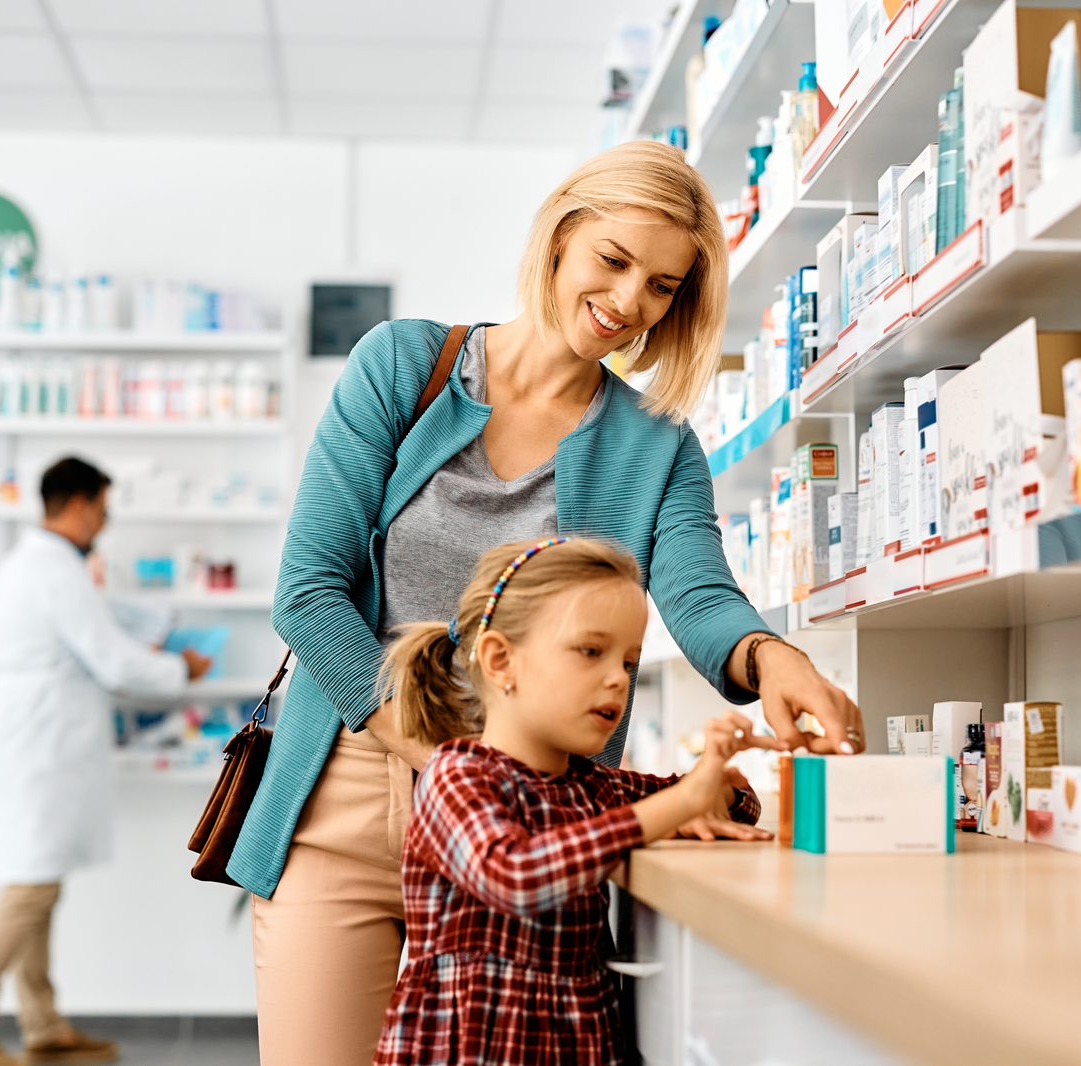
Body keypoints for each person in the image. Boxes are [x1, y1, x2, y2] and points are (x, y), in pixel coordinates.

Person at [231, 139, 868, 1066]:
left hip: (534, 815)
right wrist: (446, 759)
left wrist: (776, 659)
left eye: (660, 287)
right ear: (562, 235)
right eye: (613, 261)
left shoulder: (655, 445)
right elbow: (308, 590)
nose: (626, 303)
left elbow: (694, 591)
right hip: (353, 788)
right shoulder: (405, 367)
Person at [374, 537, 773, 1066]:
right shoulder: (457, 777)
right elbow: (517, 877)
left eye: (629, 663)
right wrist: (680, 804)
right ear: (500, 660)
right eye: (591, 651)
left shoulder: (593, 786)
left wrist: (724, 779)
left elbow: (729, 807)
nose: (616, 679)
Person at [0, 457, 212, 1066]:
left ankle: (43, 1023)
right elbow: (112, 662)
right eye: (105, 509)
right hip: (37, 745)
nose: (105, 522)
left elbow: (95, 646)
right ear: (81, 503)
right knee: (30, 886)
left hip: (34, 741)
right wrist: (178, 670)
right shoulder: (54, 571)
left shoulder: (39, 565)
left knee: (40, 880)